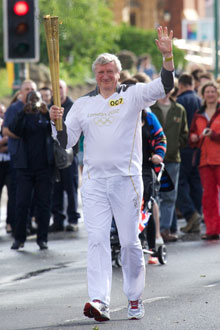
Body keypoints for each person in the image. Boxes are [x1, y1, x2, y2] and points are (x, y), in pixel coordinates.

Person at [50, 26, 174, 322]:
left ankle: (134, 297)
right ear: (96, 76)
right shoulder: (82, 105)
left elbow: (164, 85)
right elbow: (66, 142)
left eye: (110, 71)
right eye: (101, 72)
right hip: (93, 183)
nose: (105, 76)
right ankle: (99, 300)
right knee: (96, 240)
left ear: (118, 74)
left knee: (131, 242)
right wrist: (54, 122)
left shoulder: (133, 96)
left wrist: (167, 55)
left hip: (127, 181)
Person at [8, 91, 55, 250]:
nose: (34, 102)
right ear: (26, 102)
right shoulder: (22, 116)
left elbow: (56, 131)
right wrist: (23, 112)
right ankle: (19, 238)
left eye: (37, 99)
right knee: (21, 204)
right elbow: (14, 130)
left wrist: (47, 113)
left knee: (44, 204)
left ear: (42, 101)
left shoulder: (46, 115)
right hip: (25, 168)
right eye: (31, 100)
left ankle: (42, 238)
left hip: (44, 167)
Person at [151, 90, 189, 242]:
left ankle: (164, 229)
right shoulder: (151, 108)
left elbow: (184, 133)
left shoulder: (179, 109)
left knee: (169, 195)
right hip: (153, 158)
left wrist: (175, 146)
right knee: (153, 195)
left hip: (173, 158)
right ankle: (153, 230)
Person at [3, 80, 37, 234]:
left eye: (32, 89)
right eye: (27, 89)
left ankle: (31, 222)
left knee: (35, 196)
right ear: (21, 92)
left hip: (37, 159)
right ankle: (17, 226)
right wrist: (21, 135)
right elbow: (6, 131)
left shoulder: (40, 108)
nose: (30, 91)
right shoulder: (13, 108)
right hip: (19, 158)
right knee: (19, 195)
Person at [189, 81, 220, 240]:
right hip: (204, 161)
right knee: (208, 197)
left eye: (212, 91)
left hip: (219, 159)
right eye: (207, 92)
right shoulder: (198, 114)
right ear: (203, 94)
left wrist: (213, 135)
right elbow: (192, 136)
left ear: (217, 94)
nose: (210, 94)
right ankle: (212, 230)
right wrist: (193, 138)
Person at [50, 80, 80, 232]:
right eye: (56, 88)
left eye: (61, 87)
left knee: (71, 187)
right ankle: (58, 219)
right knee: (56, 188)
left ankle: (73, 219)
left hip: (69, 154)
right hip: (53, 156)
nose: (58, 91)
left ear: (66, 89)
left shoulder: (73, 106)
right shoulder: (49, 107)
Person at [176, 73, 203, 234]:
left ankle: (190, 213)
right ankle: (196, 215)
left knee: (179, 182)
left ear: (181, 86)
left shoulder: (180, 102)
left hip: (184, 146)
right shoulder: (200, 100)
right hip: (198, 146)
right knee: (195, 182)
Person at [0, 103, 11, 233]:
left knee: (12, 195)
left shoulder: (8, 126)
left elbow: (13, 144)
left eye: (2, 112)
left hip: (9, 164)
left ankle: (10, 223)